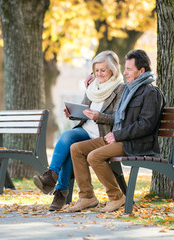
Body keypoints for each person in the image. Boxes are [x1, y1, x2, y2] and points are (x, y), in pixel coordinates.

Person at [67, 49, 164, 212]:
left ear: (141, 71)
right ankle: (87, 197)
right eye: (125, 68)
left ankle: (116, 197)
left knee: (94, 156)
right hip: (119, 138)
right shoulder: (129, 89)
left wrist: (118, 134)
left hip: (135, 143)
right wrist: (92, 77)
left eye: (129, 69)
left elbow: (146, 125)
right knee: (76, 149)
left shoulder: (150, 92)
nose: (124, 72)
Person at [33, 51, 125, 211]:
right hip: (85, 130)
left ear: (112, 70)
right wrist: (73, 114)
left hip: (102, 137)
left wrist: (99, 116)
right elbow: (84, 111)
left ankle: (60, 191)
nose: (99, 74)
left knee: (72, 149)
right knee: (67, 136)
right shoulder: (93, 86)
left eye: (103, 70)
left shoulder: (120, 89)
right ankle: (51, 176)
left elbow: (118, 118)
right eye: (96, 70)